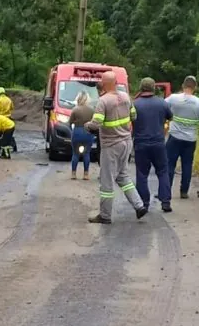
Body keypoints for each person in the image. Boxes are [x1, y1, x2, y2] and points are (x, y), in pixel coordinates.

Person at [85, 71, 147, 224]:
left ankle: (105, 215)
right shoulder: (126, 97)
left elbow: (96, 124)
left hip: (110, 145)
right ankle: (139, 206)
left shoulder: (103, 101)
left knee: (106, 181)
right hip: (126, 142)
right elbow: (134, 117)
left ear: (104, 84)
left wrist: (86, 125)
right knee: (123, 176)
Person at [133, 77, 173, 212]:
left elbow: (130, 122)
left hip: (140, 143)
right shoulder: (162, 103)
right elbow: (170, 117)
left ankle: (144, 203)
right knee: (162, 171)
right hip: (158, 143)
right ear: (154, 88)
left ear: (141, 88)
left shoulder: (135, 104)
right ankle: (165, 201)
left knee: (142, 174)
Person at [165, 75, 199, 199]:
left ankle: (166, 191)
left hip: (174, 137)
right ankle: (184, 192)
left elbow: (162, 107)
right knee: (187, 165)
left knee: (170, 164)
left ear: (183, 86)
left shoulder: (173, 98)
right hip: (190, 140)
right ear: (195, 88)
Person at [69, 91, 95, 180]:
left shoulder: (75, 109)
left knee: (75, 154)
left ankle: (73, 173)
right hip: (88, 132)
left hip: (77, 132)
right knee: (86, 153)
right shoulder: (92, 110)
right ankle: (86, 174)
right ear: (87, 99)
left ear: (78, 98)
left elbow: (70, 122)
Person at [0, 87, 16, 152]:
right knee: (8, 134)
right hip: (8, 118)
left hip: (0, 118)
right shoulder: (9, 99)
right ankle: (14, 146)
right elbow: (12, 108)